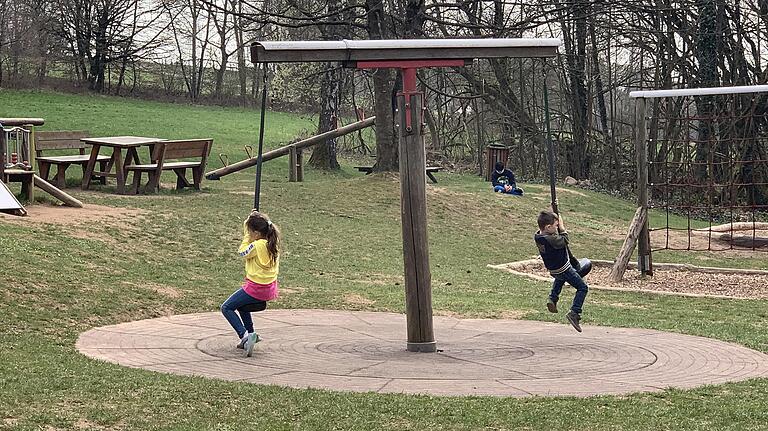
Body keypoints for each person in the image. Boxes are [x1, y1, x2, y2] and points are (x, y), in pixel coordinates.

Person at [221, 210, 281, 357]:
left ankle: (244, 335)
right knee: (241, 305)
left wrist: (246, 235)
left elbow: (242, 252)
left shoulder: (257, 246)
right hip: (269, 288)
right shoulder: (272, 244)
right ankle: (251, 333)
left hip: (256, 288)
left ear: (255, 232)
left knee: (226, 307)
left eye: (249, 230)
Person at [534, 209, 591, 332]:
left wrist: (553, 211)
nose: (557, 227)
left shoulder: (538, 235)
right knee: (582, 288)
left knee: (560, 279)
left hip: (553, 270)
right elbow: (565, 240)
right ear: (548, 227)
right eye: (556, 226)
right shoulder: (552, 239)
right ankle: (574, 312)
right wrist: (563, 228)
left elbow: (550, 229)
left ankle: (552, 298)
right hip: (564, 269)